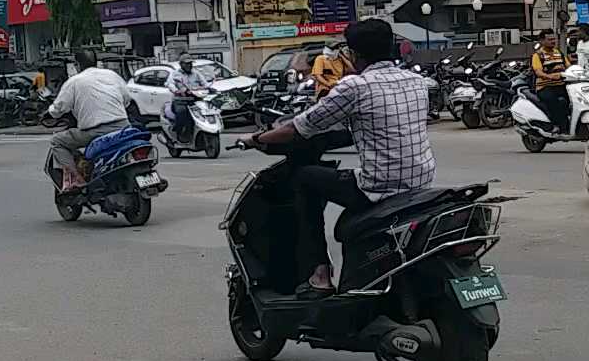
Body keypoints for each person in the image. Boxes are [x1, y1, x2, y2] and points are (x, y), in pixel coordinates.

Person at [248, 19, 436, 298]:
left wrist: (255, 139)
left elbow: (299, 128)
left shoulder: (354, 87)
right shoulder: (417, 81)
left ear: (354, 54)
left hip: (379, 187)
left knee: (303, 179)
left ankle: (319, 273)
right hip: (421, 180)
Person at [44, 48, 133, 191]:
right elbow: (127, 99)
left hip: (96, 131)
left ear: (77, 65)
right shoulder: (112, 75)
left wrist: (49, 113)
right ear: (96, 62)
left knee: (57, 141)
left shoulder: (74, 81)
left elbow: (59, 108)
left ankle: (75, 179)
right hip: (124, 127)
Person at [530, 28, 570, 132]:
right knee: (554, 102)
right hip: (544, 87)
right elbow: (538, 72)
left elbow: (569, 67)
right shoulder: (538, 55)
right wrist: (550, 76)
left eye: (554, 39)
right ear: (542, 41)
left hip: (560, 85)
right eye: (550, 39)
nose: (553, 41)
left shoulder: (559, 53)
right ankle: (557, 125)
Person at [164, 57, 208, 142]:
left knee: (206, 111)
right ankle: (179, 132)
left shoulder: (196, 73)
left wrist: (209, 88)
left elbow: (205, 83)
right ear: (181, 64)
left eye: (190, 63)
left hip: (195, 100)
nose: (189, 65)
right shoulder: (175, 74)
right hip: (180, 101)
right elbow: (169, 84)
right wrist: (176, 90)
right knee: (182, 112)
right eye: (187, 63)